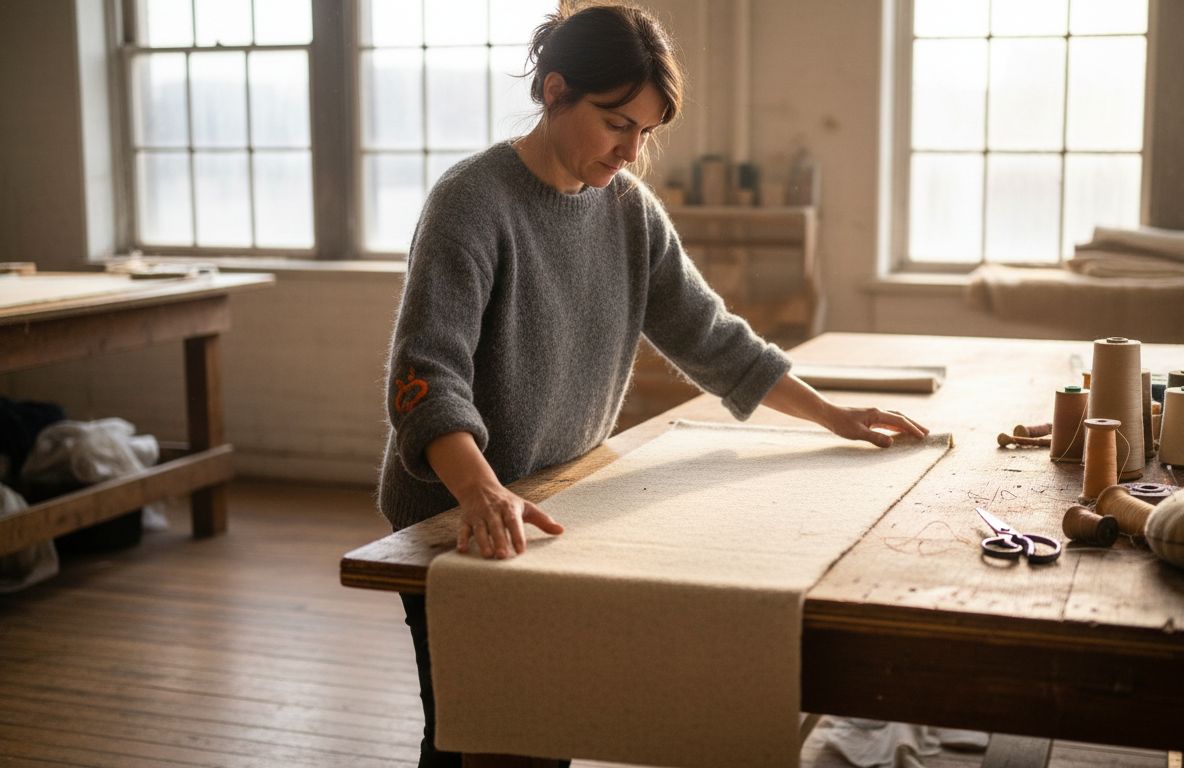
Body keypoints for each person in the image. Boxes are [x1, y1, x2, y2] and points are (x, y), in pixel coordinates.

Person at [377, 4, 928, 766]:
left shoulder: (627, 211)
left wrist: (831, 414)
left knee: (546, 725)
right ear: (554, 90)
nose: (632, 151)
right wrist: (479, 491)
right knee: (474, 735)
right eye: (615, 124)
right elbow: (424, 376)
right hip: (458, 514)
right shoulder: (472, 202)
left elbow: (709, 335)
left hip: (557, 503)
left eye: (646, 131)